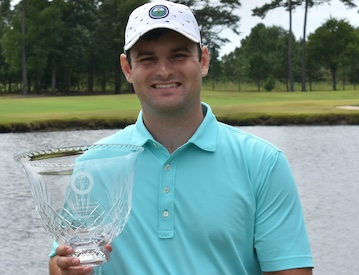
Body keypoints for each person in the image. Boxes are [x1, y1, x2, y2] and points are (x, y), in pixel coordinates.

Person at [49, 1, 314, 274]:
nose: (164, 71)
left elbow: (291, 270)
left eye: (178, 55)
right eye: (147, 58)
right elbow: (60, 262)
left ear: (204, 61)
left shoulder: (263, 163)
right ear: (127, 68)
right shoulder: (94, 163)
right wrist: (67, 270)